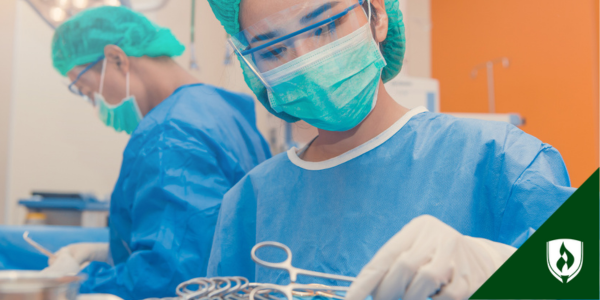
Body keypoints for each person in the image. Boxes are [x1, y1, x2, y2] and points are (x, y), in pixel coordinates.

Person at [204, 0, 576, 299]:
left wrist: (501, 270)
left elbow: (578, 274)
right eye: (274, 49)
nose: (305, 59)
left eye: (324, 26)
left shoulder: (501, 162)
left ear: (377, 15)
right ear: (254, 68)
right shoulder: (248, 206)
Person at [42, 5, 271, 299]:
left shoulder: (170, 133)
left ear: (116, 58)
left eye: (89, 91)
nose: (96, 107)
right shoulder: (224, 111)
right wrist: (108, 252)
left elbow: (171, 275)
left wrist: (73, 282)